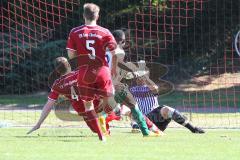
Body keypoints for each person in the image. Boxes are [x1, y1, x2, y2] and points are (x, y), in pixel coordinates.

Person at [66, 3, 155, 137]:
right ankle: (145, 131)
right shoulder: (107, 36)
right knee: (132, 105)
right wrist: (130, 73)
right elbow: (117, 62)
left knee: (91, 105)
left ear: (84, 15)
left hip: (85, 75)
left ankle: (104, 125)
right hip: (108, 78)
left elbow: (71, 56)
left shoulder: (75, 32)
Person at [27, 57, 106, 141]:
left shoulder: (57, 84)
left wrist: (38, 124)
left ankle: (104, 119)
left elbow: (48, 105)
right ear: (69, 65)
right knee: (95, 128)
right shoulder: (79, 73)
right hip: (93, 102)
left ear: (57, 71)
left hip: (80, 109)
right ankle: (107, 115)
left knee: (96, 128)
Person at [129, 73, 205, 134]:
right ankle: (136, 126)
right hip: (143, 119)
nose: (139, 78)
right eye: (138, 77)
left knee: (167, 109)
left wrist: (146, 78)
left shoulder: (150, 88)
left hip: (156, 115)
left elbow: (155, 88)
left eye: (141, 76)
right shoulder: (132, 89)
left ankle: (193, 129)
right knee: (131, 110)